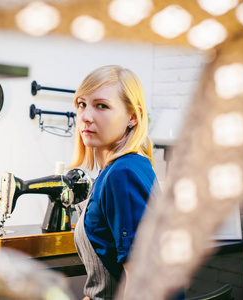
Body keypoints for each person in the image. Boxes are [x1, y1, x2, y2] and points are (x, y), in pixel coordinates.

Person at [72, 65, 158, 300]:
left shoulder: (123, 174)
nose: (86, 117)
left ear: (133, 117)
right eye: (82, 104)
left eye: (102, 106)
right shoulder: (115, 170)